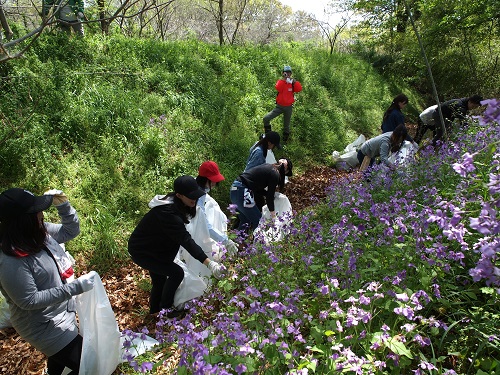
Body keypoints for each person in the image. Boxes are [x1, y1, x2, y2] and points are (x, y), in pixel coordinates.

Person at [0, 188, 95, 375]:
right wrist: (74, 288)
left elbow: (70, 231)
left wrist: (64, 207)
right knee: (89, 364)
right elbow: (29, 300)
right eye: (37, 211)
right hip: (42, 326)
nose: (41, 213)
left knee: (61, 362)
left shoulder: (38, 232)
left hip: (63, 311)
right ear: (23, 220)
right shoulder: (10, 259)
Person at [128, 175, 225, 319]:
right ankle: (165, 311)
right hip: (143, 251)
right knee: (176, 273)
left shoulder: (181, 205)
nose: (194, 199)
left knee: (159, 280)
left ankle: (155, 312)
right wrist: (209, 263)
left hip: (156, 248)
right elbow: (186, 241)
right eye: (191, 196)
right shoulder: (167, 213)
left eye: (196, 195)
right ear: (179, 195)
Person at [230, 158, 293, 231]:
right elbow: (269, 198)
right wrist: (273, 216)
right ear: (286, 170)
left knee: (245, 220)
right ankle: (258, 241)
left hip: (235, 189)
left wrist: (268, 194)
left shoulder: (268, 167)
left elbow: (258, 189)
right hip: (242, 191)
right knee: (258, 220)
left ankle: (239, 240)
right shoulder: (275, 174)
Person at [196, 161, 238, 255]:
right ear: (204, 179)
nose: (215, 183)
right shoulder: (196, 196)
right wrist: (225, 241)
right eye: (212, 179)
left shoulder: (199, 187)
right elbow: (205, 224)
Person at [414, 95, 483, 145]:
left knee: (442, 136)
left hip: (438, 117)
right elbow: (463, 123)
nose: (473, 108)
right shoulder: (460, 106)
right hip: (430, 117)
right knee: (439, 134)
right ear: (470, 102)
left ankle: (431, 149)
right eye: (474, 106)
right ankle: (427, 150)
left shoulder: (462, 103)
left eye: (475, 108)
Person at [263, 65, 303, 143]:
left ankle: (285, 141)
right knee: (266, 118)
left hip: (288, 107)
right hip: (279, 107)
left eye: (289, 72)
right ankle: (268, 135)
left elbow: (299, 89)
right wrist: (284, 80)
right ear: (283, 73)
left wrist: (293, 81)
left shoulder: (292, 83)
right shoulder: (280, 82)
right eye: (286, 72)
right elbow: (278, 88)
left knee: (286, 126)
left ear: (291, 73)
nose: (287, 74)